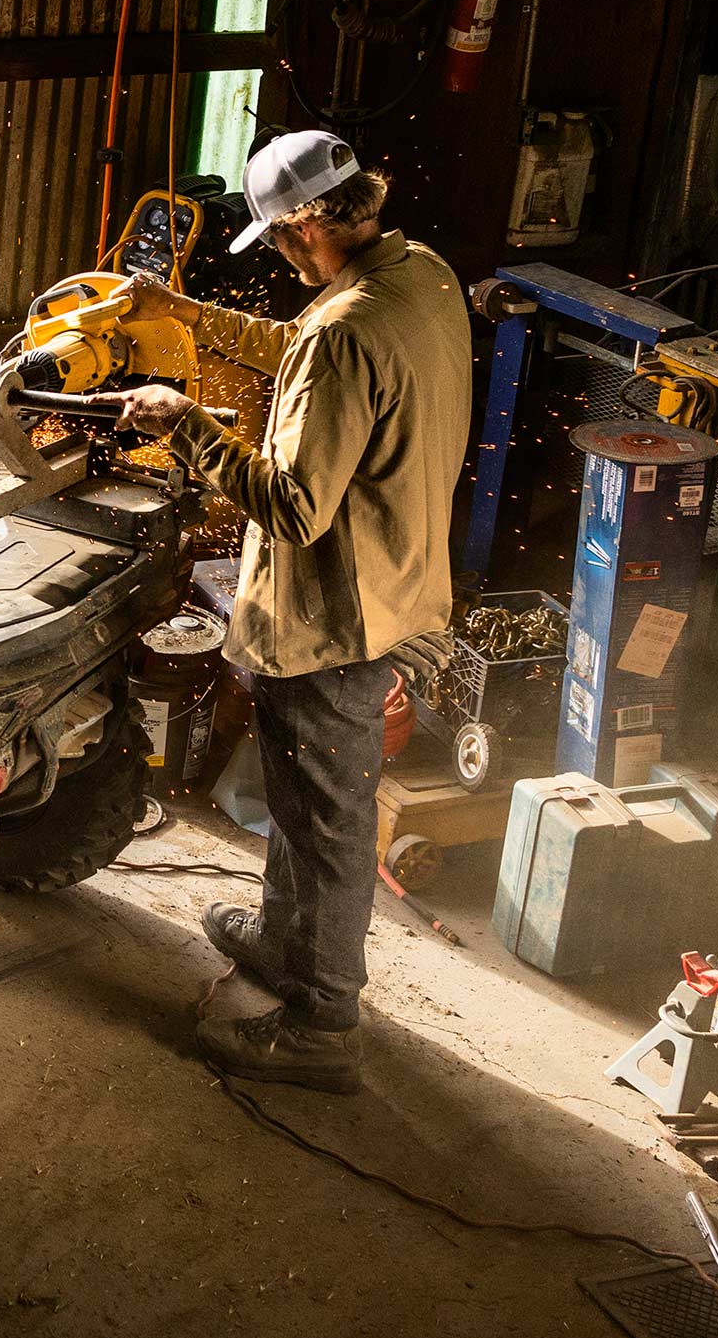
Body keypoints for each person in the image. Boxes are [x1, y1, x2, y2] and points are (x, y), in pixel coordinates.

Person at [107, 130, 472, 1092]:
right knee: (304, 803)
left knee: (326, 826)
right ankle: (281, 940)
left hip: (330, 620)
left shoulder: (343, 331)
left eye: (278, 240)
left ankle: (322, 1022)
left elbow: (291, 504)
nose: (279, 256)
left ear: (308, 226)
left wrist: (183, 423)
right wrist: (182, 311)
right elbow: (310, 347)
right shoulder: (420, 275)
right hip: (392, 584)